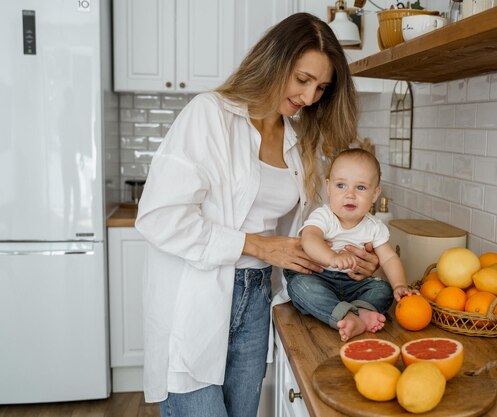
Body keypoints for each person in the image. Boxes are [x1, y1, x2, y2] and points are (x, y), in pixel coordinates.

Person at [134, 12, 379, 417]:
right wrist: (256, 246)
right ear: (274, 60)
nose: (309, 97)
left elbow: (302, 234)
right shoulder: (210, 114)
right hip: (196, 298)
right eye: (302, 80)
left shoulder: (298, 139)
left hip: (257, 299)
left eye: (321, 87)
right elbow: (159, 216)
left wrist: (346, 255)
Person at [285, 149, 414, 342]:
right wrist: (332, 257)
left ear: (375, 194)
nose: (350, 195)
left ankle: (359, 312)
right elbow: (309, 238)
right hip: (320, 277)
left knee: (383, 290)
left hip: (355, 284)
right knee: (299, 286)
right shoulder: (324, 216)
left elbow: (388, 257)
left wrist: (400, 285)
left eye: (360, 188)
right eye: (341, 185)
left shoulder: (374, 226)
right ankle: (347, 315)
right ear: (328, 187)